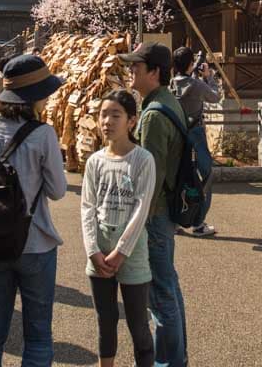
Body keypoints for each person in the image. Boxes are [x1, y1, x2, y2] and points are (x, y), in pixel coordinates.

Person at [0, 54, 66, 367]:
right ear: (34, 97)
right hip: (35, 241)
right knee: (37, 333)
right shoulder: (43, 134)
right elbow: (58, 190)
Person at [124, 42, 188, 367]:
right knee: (169, 288)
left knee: (161, 297)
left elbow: (149, 177)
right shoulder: (167, 102)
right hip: (166, 209)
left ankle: (167, 361)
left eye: (136, 66)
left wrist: (135, 223)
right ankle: (177, 358)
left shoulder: (152, 116)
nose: (130, 71)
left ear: (155, 72)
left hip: (155, 213)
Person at [81, 90, 156, 367]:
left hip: (132, 252)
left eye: (116, 115)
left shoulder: (143, 159)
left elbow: (141, 208)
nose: (107, 121)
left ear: (131, 121)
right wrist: (92, 250)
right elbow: (87, 207)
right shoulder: (95, 161)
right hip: (99, 249)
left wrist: (121, 251)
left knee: (138, 322)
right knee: (106, 319)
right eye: (103, 114)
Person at [169, 47, 218, 237]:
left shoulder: (171, 84)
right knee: (206, 176)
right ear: (191, 64)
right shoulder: (197, 85)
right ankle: (198, 223)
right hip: (196, 134)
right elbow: (215, 96)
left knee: (177, 177)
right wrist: (208, 77)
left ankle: (175, 221)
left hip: (177, 134)